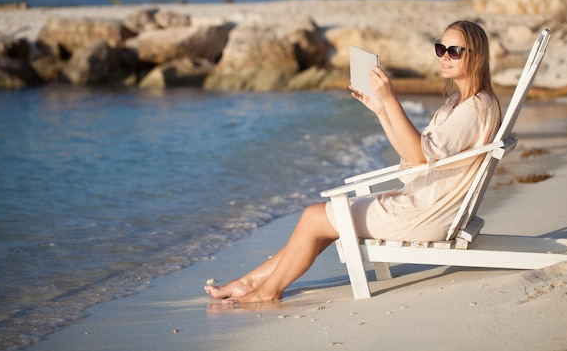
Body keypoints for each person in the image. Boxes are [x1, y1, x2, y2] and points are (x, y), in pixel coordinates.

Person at [204, 20, 501, 303]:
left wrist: (391, 99)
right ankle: (249, 283)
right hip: (427, 203)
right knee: (323, 219)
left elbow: (418, 155)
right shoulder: (460, 104)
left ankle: (267, 292)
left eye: (454, 51)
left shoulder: (472, 110)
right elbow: (416, 153)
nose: (444, 57)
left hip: (428, 213)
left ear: (476, 57)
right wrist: (382, 108)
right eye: (440, 49)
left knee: (313, 217)